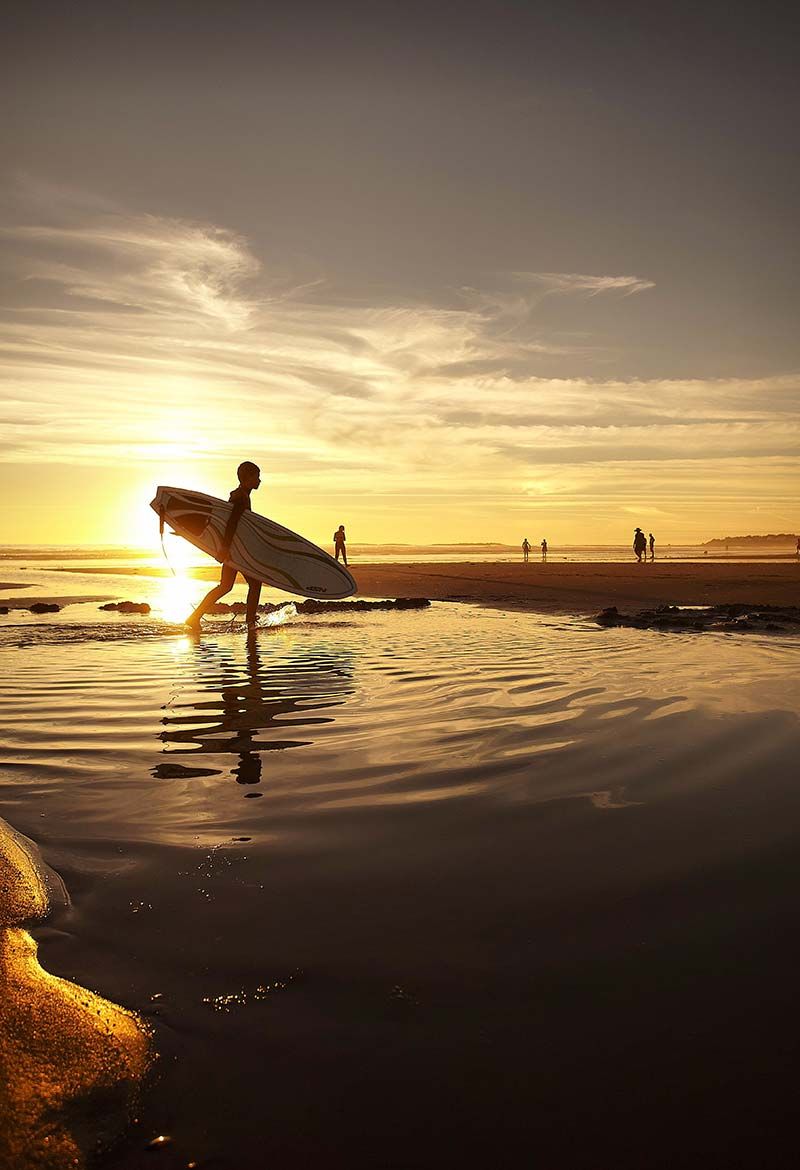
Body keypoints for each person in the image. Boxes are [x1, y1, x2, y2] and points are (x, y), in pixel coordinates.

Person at [185, 461, 262, 631]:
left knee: (225, 586)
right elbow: (231, 523)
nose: (259, 480)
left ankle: (194, 617)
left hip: (233, 548)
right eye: (257, 477)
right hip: (234, 550)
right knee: (255, 584)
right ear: (247, 478)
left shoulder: (241, 495)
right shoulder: (240, 497)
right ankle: (250, 623)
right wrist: (225, 548)